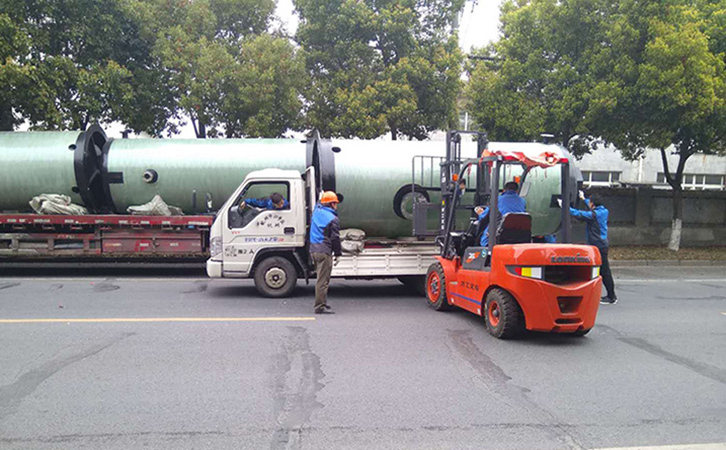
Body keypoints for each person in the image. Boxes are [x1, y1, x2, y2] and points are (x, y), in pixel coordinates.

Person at [559, 191, 617, 304]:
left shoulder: (594, 215)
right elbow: (591, 208)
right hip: (601, 244)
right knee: (600, 270)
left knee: (604, 271)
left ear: (592, 204)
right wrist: (583, 198)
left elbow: (580, 214)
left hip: (598, 245)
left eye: (590, 202)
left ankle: (611, 296)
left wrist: (565, 207)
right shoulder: (604, 211)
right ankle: (606, 294)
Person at [309, 191, 342, 314]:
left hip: (313, 250)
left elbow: (319, 203)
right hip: (324, 252)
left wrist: (321, 196)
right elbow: (335, 238)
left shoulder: (316, 212)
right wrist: (338, 254)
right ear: (332, 204)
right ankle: (320, 306)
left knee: (320, 279)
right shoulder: (333, 219)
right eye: (335, 203)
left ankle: (322, 301)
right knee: (323, 281)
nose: (337, 206)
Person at [474, 181, 527, 247]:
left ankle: (485, 249)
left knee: (483, 238)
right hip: (518, 234)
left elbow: (485, 216)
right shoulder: (522, 201)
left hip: (500, 233)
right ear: (516, 191)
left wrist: (480, 213)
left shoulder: (497, 200)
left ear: (504, 190)